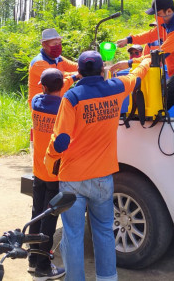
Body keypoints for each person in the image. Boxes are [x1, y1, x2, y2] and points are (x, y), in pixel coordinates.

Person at [45, 51, 151, 281]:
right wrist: (146, 59)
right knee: (104, 230)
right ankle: (108, 278)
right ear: (103, 69)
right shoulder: (118, 86)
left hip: (73, 178)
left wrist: (49, 158)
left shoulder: (72, 97)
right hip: (103, 176)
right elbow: (138, 76)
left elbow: (61, 140)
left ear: (80, 72)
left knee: (72, 235)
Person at [113, 0, 174, 110]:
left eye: (158, 14)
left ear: (168, 11)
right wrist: (128, 40)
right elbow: (150, 35)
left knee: (160, 104)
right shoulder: (165, 22)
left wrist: (130, 63)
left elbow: (158, 56)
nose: (155, 18)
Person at [28, 68, 68, 281]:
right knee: (49, 220)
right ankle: (44, 267)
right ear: (61, 86)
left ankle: (33, 260)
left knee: (36, 214)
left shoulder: (36, 101)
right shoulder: (63, 107)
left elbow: (48, 90)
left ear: (42, 87)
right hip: (54, 172)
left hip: (38, 171)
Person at [28, 28, 78, 108]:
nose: (58, 46)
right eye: (54, 44)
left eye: (59, 43)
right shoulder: (39, 63)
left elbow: (74, 66)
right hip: (41, 104)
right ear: (44, 45)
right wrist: (78, 75)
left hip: (55, 101)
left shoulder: (58, 58)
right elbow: (58, 77)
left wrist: (88, 65)